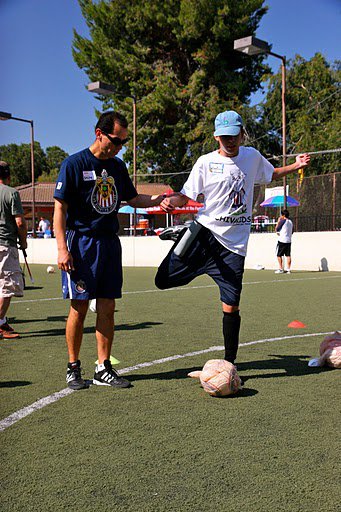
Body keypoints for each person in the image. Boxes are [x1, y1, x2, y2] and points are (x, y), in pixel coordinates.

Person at [155, 110, 310, 368]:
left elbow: (271, 174)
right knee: (162, 281)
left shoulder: (252, 157)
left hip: (234, 248)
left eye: (234, 135)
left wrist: (295, 166)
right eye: (225, 136)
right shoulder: (205, 162)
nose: (230, 141)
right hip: (204, 235)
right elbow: (185, 195)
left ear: (241, 134)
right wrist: (170, 202)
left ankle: (230, 363)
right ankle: (182, 237)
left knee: (231, 306)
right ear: (216, 136)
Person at [53, 111, 173, 390]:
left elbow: (134, 198)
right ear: (99, 134)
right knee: (79, 307)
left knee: (107, 307)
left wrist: (160, 200)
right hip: (80, 243)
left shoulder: (117, 167)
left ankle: (103, 367)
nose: (119, 147)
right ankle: (73, 367)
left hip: (109, 243)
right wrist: (61, 249)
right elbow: (60, 208)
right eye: (116, 141)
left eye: (122, 143)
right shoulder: (73, 164)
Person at [0, 161, 27, 339]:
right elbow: (20, 222)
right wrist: (23, 242)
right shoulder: (11, 193)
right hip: (5, 244)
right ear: (8, 176)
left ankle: (2, 322)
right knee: (7, 287)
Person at [275, 209, 294, 274]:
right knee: (288, 255)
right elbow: (292, 231)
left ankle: (280, 268)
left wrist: (278, 221)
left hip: (282, 240)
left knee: (279, 255)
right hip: (289, 240)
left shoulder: (283, 221)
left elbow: (277, 228)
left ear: (283, 215)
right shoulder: (291, 222)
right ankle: (288, 269)